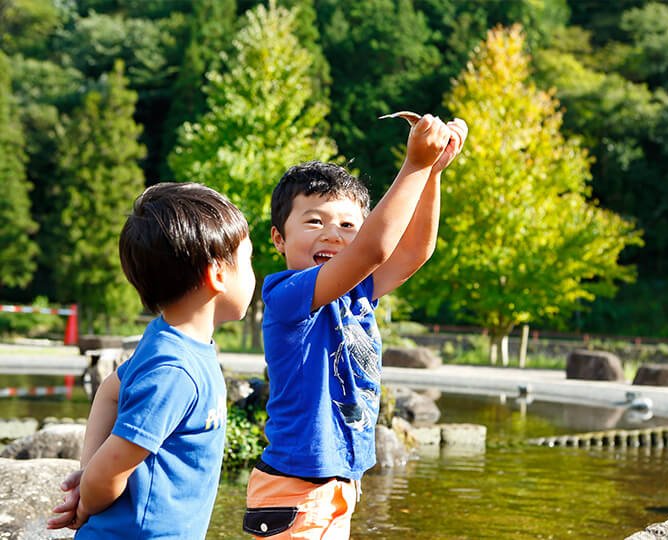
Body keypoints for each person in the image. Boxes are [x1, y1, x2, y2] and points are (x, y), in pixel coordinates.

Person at [242, 114, 467, 539]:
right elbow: (376, 248)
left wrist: (432, 172)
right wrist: (413, 165)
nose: (333, 234)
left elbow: (413, 251)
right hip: (293, 493)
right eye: (314, 221)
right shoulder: (287, 295)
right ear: (278, 239)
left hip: (338, 486)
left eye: (348, 225)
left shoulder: (357, 293)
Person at [46, 182, 256, 538]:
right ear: (218, 274)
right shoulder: (174, 370)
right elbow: (110, 473)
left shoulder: (169, 339)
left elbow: (109, 391)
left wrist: (91, 468)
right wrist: (86, 501)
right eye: (248, 261)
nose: (253, 274)